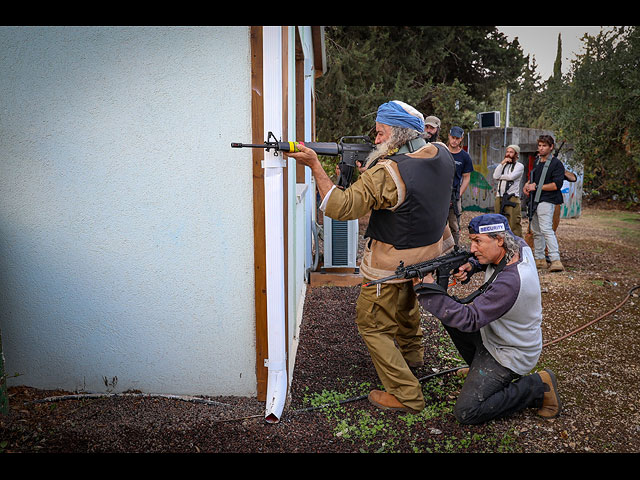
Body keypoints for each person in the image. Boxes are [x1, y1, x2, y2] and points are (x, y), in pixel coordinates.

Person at [286, 100, 455, 414]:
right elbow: (410, 193)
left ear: (397, 135)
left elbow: (341, 207)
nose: (375, 140)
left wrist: (314, 165)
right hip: (429, 252)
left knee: (372, 324)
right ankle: (412, 357)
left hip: (393, 260)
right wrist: (372, 170)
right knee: (405, 306)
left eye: (380, 134)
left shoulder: (387, 172)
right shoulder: (442, 152)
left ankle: (406, 395)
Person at [412, 214, 561, 424]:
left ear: (499, 239)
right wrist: (473, 265)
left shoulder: (511, 281)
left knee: (467, 412)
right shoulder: (516, 245)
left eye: (477, 241)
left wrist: (427, 290)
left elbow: (470, 319)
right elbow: (492, 259)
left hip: (511, 353)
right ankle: (479, 368)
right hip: (496, 337)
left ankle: (538, 386)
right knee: (450, 315)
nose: (472, 249)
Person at [523, 135, 566, 272]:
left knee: (547, 229)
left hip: (548, 199)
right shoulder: (537, 162)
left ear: (551, 147)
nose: (541, 148)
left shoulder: (556, 164)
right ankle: (540, 259)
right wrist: (527, 185)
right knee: (536, 231)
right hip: (535, 200)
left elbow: (556, 185)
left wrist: (536, 187)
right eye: (540, 146)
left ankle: (555, 260)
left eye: (544, 146)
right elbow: (534, 179)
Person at [447, 126, 474, 246]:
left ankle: (455, 249)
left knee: (454, 224)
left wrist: (459, 194)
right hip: (439, 195)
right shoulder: (441, 151)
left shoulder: (464, 157)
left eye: (457, 139)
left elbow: (466, 177)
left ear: (461, 139)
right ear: (449, 136)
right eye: (453, 137)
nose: (454, 141)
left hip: (454, 194)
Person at [493, 144, 524, 237]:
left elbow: (511, 177)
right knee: (498, 222)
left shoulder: (519, 166)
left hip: (512, 197)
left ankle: (517, 245)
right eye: (507, 152)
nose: (508, 154)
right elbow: (495, 176)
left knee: (514, 222)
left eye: (511, 152)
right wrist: (502, 163)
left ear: (516, 154)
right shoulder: (503, 165)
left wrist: (500, 177)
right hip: (500, 196)